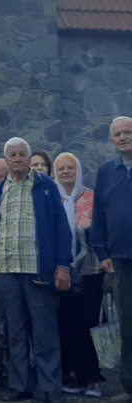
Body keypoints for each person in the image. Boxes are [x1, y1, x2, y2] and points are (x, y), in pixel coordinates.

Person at [0, 137, 72, 403]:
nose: (16, 159)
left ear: (28, 157)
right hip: (6, 270)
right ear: (6, 159)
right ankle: (20, 385)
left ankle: (50, 388)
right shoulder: (0, 190)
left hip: (38, 271)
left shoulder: (45, 186)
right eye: (11, 155)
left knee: (44, 332)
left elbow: (62, 229)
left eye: (20, 154)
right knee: (15, 332)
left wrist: (62, 265)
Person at [53, 152, 103, 398]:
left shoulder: (92, 197)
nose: (65, 172)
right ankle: (73, 374)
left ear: (78, 169)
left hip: (90, 272)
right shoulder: (52, 199)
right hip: (60, 273)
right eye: (60, 168)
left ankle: (92, 377)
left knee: (89, 325)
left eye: (70, 167)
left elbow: (100, 229)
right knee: (67, 325)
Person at [90, 116, 132, 403]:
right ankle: (130, 387)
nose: (123, 137)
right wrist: (102, 253)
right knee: (128, 325)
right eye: (118, 134)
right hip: (120, 260)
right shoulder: (106, 172)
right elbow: (98, 216)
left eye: (128, 132)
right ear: (111, 140)